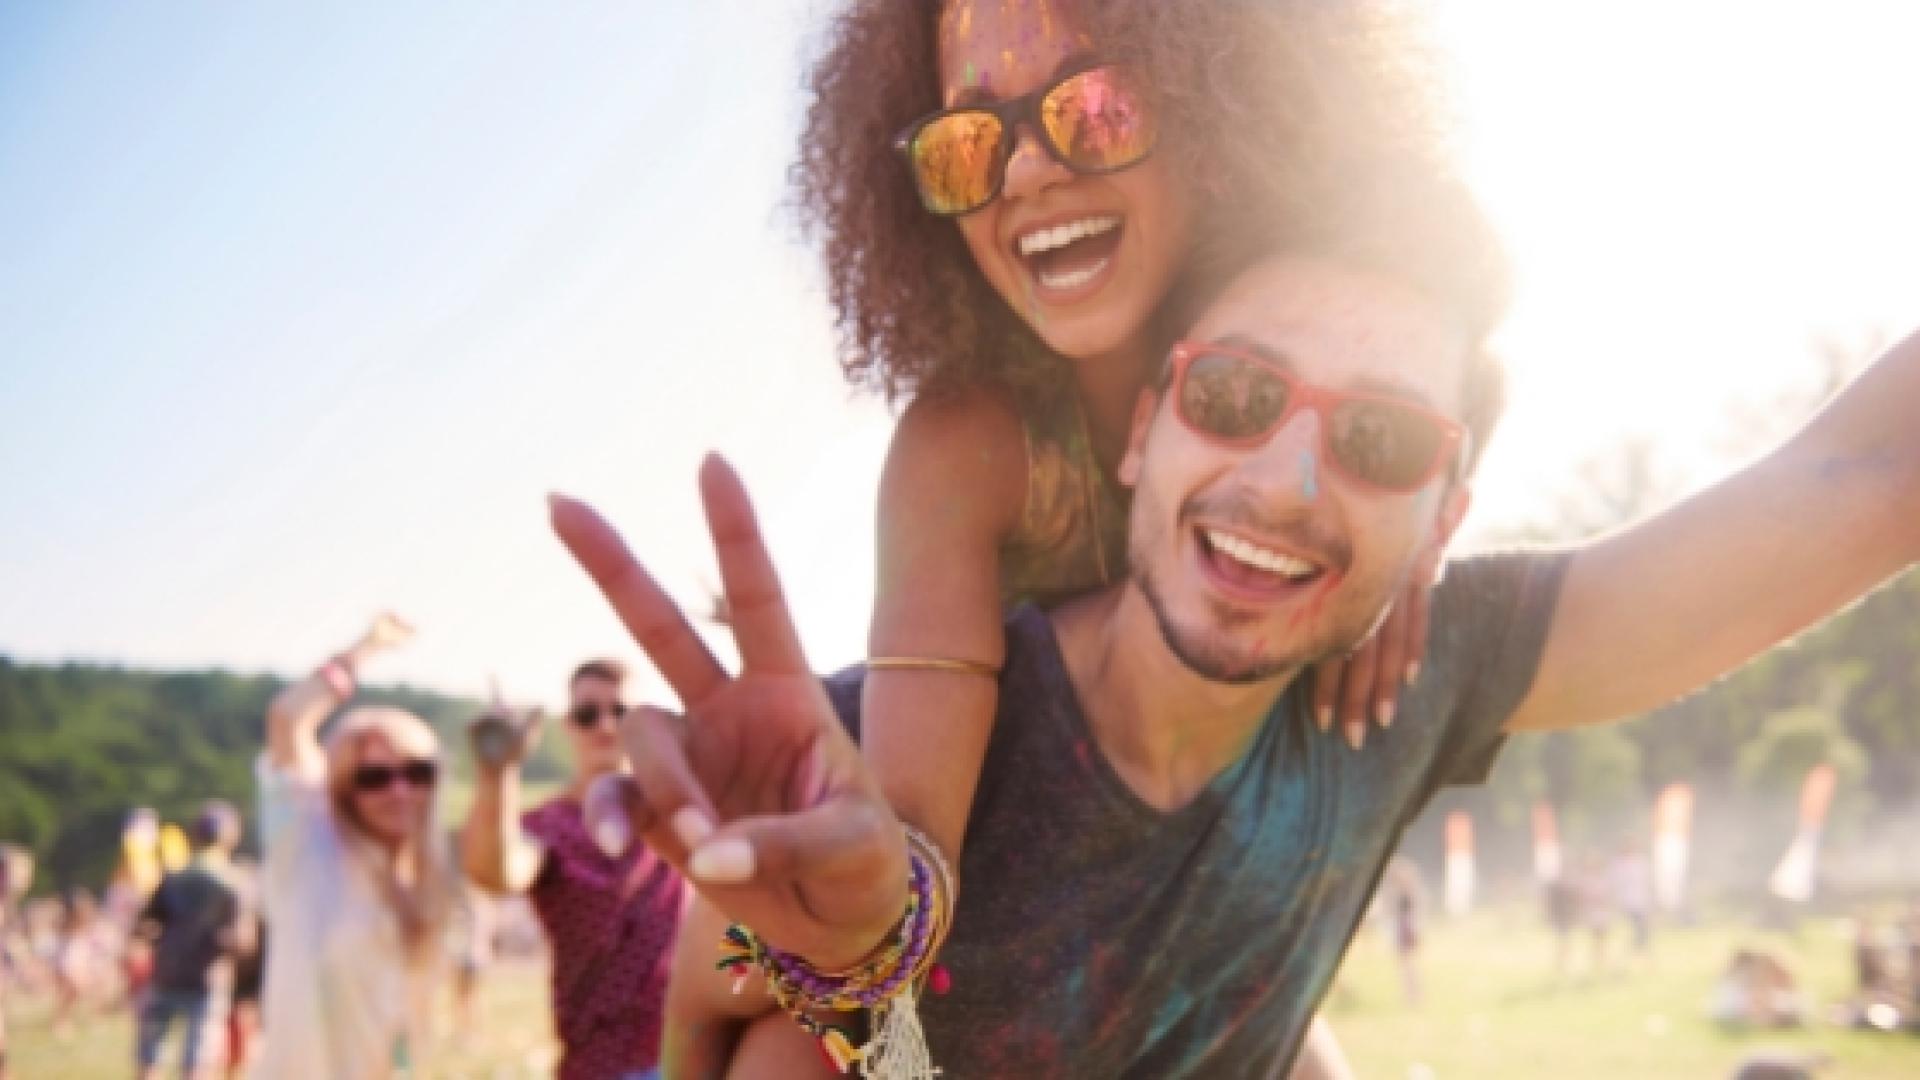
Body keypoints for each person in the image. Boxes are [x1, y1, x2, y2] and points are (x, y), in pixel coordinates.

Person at [557, 160, 1920, 1074]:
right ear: (1146, 428)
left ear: (1448, 513)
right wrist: (861, 976)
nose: (1286, 480)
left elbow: (1869, 479)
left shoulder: (1424, 679)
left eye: (1382, 437)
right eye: (1235, 396)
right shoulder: (871, 775)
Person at [690, 1, 1454, 1069]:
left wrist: (1390, 549)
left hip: (1187, 929)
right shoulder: (967, 449)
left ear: (1222, 115)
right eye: (968, 146)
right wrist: (854, 912)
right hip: (981, 967)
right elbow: (913, 861)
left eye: (1097, 108)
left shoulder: (1350, 409)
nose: (1026, 174)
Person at [459, 658, 685, 1080]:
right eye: (587, 714)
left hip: (691, 1056)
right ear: (568, 725)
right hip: (600, 1064)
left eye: (620, 712)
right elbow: (499, 871)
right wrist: (498, 772)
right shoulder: (550, 825)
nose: (605, 725)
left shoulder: (677, 810)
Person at [255, 612, 458, 1080]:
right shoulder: (309, 840)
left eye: (417, 773)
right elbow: (288, 718)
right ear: (345, 787)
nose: (400, 791)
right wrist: (365, 650)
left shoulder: (419, 878)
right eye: (375, 777)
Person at [135, 800, 244, 1080]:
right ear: (230, 837)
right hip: (206, 979)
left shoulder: (173, 877)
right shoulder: (233, 881)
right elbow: (241, 939)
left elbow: (144, 925)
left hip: (165, 973)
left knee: (151, 1058)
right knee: (197, 1062)